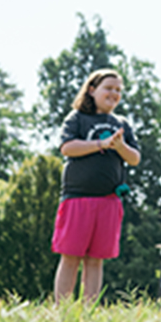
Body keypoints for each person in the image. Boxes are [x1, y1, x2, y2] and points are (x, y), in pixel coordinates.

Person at [52, 69, 141, 305]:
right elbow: (67, 148)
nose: (114, 93)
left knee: (96, 259)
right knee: (70, 257)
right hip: (77, 198)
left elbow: (134, 159)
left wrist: (119, 146)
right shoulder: (77, 118)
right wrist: (102, 143)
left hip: (109, 200)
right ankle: (62, 310)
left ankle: (90, 309)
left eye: (118, 90)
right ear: (92, 91)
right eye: (108, 88)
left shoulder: (121, 124)